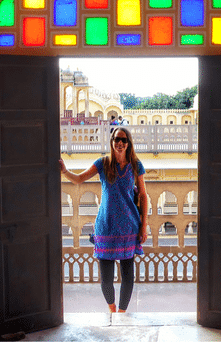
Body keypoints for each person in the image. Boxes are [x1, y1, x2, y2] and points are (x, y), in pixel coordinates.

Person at [59, 127, 148, 313]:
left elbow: (144, 196)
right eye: (117, 139)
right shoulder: (103, 163)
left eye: (124, 140)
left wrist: (144, 225)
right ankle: (112, 308)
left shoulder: (135, 165)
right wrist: (65, 171)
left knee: (128, 276)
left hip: (129, 227)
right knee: (106, 279)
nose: (120, 143)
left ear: (129, 143)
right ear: (112, 141)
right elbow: (79, 179)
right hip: (106, 227)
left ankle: (122, 313)